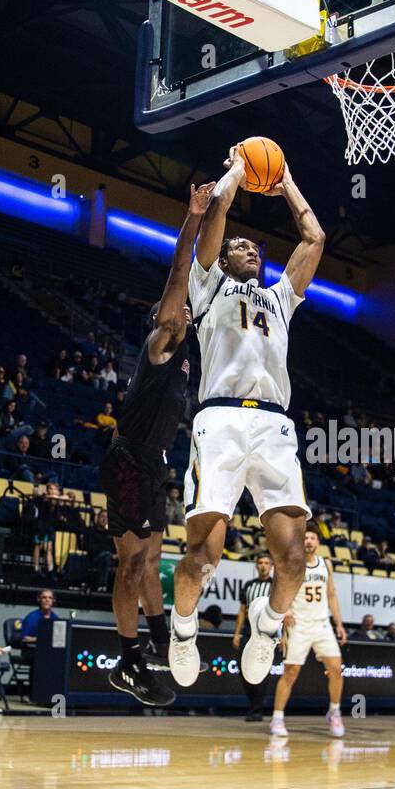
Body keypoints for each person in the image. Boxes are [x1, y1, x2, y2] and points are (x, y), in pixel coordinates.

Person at [168, 145, 325, 691]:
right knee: (201, 559)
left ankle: (266, 629)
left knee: (293, 562)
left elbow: (314, 239)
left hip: (276, 427)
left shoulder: (281, 299)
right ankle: (182, 630)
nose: (248, 249)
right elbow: (217, 216)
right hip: (220, 423)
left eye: (254, 247)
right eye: (239, 246)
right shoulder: (209, 287)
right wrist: (237, 168)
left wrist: (284, 184)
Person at [101, 183, 214, 708]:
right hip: (128, 460)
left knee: (151, 561)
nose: (183, 310)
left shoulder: (188, 355)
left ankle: (157, 640)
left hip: (154, 464)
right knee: (130, 565)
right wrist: (193, 219)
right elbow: (178, 275)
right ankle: (128, 662)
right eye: (176, 308)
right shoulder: (163, 340)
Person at [272, 527, 348, 738]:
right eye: (305, 537)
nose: (309, 541)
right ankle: (277, 718)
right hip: (299, 624)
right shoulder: (292, 562)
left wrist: (339, 624)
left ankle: (334, 711)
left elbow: (331, 595)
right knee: (290, 673)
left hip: (322, 624)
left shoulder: (326, 564)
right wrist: (284, 609)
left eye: (313, 538)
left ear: (318, 542)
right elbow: (279, 588)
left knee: (336, 669)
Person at [232, 553, 275, 721]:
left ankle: (256, 709)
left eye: (266, 563)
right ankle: (254, 705)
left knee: (261, 669)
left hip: (267, 632)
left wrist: (284, 636)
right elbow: (242, 610)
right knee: (243, 668)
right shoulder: (249, 585)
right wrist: (236, 633)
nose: (263, 565)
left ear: (271, 566)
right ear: (256, 566)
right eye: (260, 562)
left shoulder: (275, 586)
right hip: (248, 630)